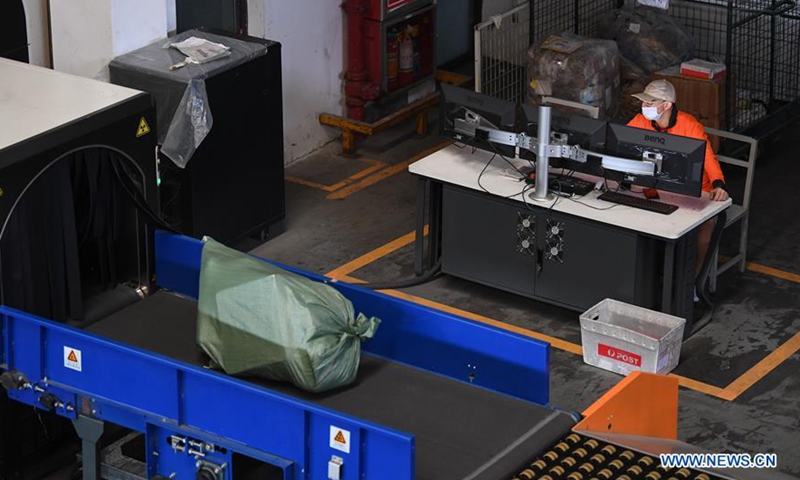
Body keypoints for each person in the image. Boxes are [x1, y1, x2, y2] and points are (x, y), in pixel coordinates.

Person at [628, 79, 729, 281]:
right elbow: (620, 143)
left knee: (703, 235)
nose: (644, 106)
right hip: (654, 189)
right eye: (644, 102)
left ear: (667, 105)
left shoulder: (690, 125)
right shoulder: (640, 121)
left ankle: (694, 282)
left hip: (693, 191)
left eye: (651, 102)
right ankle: (650, 279)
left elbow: (708, 157)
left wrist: (718, 183)